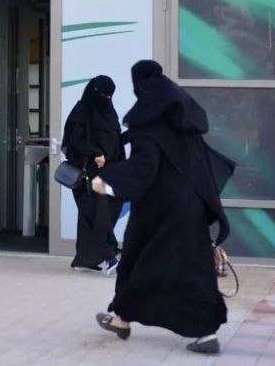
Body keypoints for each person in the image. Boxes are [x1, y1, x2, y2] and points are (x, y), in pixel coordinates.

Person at [92, 60, 228, 355]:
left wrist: (109, 181)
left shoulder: (147, 119)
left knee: (137, 259)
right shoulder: (182, 115)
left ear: (139, 85)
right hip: (191, 204)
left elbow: (145, 165)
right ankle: (201, 332)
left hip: (159, 208)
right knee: (192, 267)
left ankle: (124, 318)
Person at [61, 75, 124, 273]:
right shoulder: (82, 111)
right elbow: (74, 141)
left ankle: (84, 259)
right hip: (90, 173)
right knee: (98, 213)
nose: (106, 99)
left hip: (109, 171)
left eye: (109, 95)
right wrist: (95, 153)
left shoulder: (109, 111)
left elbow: (115, 139)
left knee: (99, 212)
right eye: (103, 95)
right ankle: (109, 255)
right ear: (94, 92)